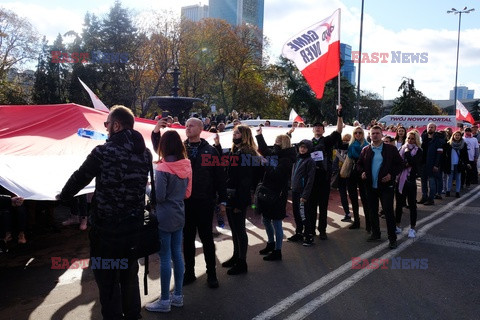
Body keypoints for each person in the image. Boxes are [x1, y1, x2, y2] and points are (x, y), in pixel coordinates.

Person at [57, 105, 151, 320]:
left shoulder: (103, 152)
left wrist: (62, 197)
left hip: (106, 229)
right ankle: (134, 316)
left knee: (107, 277)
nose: (106, 128)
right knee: (129, 273)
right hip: (134, 226)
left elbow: (80, 177)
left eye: (107, 124)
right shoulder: (145, 154)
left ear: (116, 125)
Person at [152, 117, 227, 288]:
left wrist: (222, 200)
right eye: (186, 126)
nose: (187, 128)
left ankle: (211, 274)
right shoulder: (180, 149)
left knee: (207, 238)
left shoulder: (210, 151)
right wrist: (156, 132)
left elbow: (219, 178)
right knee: (188, 239)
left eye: (191, 125)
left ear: (201, 129)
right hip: (184, 202)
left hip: (204, 201)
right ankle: (190, 272)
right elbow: (161, 149)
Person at [146, 131, 192, 313]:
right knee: (177, 255)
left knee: (165, 257)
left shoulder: (162, 168)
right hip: (180, 214)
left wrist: (148, 189)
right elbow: (187, 193)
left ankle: (164, 300)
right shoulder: (187, 164)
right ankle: (178, 296)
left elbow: (160, 196)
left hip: (164, 217)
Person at [357, 125, 403, 249]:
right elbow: (359, 164)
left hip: (386, 186)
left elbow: (400, 164)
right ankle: (376, 233)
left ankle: (392, 238)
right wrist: (362, 172)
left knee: (388, 212)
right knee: (372, 211)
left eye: (377, 133)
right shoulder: (366, 150)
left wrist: (391, 175)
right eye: (373, 133)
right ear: (370, 135)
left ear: (382, 135)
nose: (375, 135)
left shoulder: (390, 149)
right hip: (371, 186)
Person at [255, 127, 296, 261]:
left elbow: (276, 174)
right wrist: (260, 136)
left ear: (283, 143)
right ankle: (270, 244)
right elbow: (265, 150)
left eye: (278, 141)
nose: (275, 143)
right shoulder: (277, 154)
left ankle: (277, 251)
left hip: (277, 194)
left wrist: (266, 164)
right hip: (269, 192)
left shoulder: (286, 159)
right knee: (265, 219)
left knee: (277, 222)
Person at [222, 125, 257, 274]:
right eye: (234, 132)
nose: (234, 134)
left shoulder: (246, 153)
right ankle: (236, 256)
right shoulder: (236, 151)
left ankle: (242, 262)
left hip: (238, 197)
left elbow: (246, 181)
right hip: (231, 195)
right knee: (235, 229)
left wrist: (240, 202)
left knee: (240, 229)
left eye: (237, 133)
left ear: (244, 135)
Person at [307, 105, 343, 240]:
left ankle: (322, 230)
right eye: (315, 127)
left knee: (322, 206)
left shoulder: (327, 141)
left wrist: (339, 115)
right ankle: (310, 230)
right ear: (312, 129)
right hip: (312, 179)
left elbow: (339, 130)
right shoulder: (308, 143)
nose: (317, 128)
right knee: (311, 207)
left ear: (323, 129)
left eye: (320, 127)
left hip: (324, 178)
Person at [395, 130, 423, 238]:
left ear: (416, 140)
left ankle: (412, 228)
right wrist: (405, 163)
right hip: (400, 180)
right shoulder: (402, 148)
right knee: (398, 204)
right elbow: (398, 162)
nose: (410, 140)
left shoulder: (418, 150)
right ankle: (397, 226)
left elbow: (413, 162)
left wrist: (407, 154)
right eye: (409, 138)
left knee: (412, 205)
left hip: (411, 180)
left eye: (413, 138)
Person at [288, 140, 316, 246]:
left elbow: (310, 180)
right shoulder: (297, 158)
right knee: (296, 213)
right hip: (295, 191)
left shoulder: (310, 161)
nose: (302, 149)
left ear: (308, 149)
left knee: (304, 215)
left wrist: (305, 195)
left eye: (304, 147)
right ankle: (299, 233)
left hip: (302, 193)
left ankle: (308, 236)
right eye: (301, 147)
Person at [347, 127, 370, 231]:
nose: (358, 134)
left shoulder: (367, 145)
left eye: (360, 132)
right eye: (355, 132)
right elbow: (350, 157)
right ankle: (356, 221)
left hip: (363, 172)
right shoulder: (351, 145)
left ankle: (369, 223)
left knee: (365, 198)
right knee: (353, 198)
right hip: (353, 171)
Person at [418, 123, 445, 206]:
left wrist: (436, 165)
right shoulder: (423, 138)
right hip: (423, 163)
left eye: (432, 127)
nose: (430, 128)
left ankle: (431, 199)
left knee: (432, 181)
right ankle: (424, 197)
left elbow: (439, 153)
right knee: (423, 182)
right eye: (429, 127)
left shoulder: (438, 139)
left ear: (435, 129)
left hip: (432, 164)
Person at [443, 130, 469, 198]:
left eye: (458, 135)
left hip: (459, 163)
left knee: (458, 178)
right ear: (453, 136)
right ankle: (448, 191)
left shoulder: (463, 144)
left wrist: (466, 163)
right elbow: (445, 155)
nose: (457, 136)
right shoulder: (449, 144)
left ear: (461, 136)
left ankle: (457, 192)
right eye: (456, 135)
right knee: (449, 178)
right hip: (450, 163)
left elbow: (465, 155)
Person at [335, 134, 353, 222]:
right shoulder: (338, 149)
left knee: (351, 194)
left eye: (347, 140)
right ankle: (347, 213)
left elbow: (347, 162)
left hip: (349, 174)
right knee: (342, 195)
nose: (345, 142)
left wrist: (338, 155)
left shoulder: (351, 149)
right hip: (340, 175)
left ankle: (352, 214)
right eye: (344, 140)